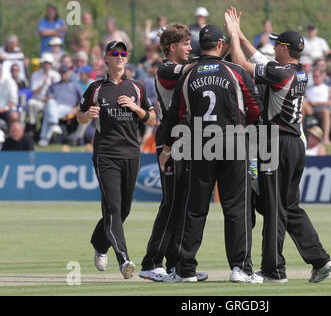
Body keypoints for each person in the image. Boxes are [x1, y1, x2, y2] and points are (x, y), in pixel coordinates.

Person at [225, 7, 331, 283]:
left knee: (273, 207)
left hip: (277, 144)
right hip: (295, 144)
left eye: (277, 44)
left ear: (285, 49)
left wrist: (232, 37)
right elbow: (259, 58)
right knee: (287, 205)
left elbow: (240, 62)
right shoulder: (298, 71)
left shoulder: (280, 73)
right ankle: (320, 260)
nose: (273, 47)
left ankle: (274, 270)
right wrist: (240, 33)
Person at [159, 23, 262, 283]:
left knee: (194, 209)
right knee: (236, 208)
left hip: (199, 144)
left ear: (198, 46)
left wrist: (168, 147)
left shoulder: (188, 75)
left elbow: (176, 114)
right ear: (220, 44)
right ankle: (241, 268)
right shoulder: (235, 71)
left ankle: (185, 270)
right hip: (233, 142)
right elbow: (255, 107)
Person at [77, 41, 156, 279]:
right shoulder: (96, 88)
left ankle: (100, 244)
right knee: (113, 208)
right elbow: (79, 116)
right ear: (106, 58)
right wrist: (86, 115)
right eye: (115, 53)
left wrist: (135, 108)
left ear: (127, 58)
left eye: (123, 53)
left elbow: (151, 119)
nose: (120, 57)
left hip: (132, 153)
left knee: (123, 211)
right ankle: (124, 260)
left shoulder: (137, 87)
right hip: (106, 154)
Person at [139, 23, 208, 282]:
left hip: (187, 138)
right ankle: (151, 262)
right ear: (172, 47)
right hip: (171, 139)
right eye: (186, 44)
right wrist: (211, 59)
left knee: (183, 203)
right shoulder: (166, 68)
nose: (190, 48)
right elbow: (191, 68)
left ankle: (176, 265)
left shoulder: (182, 66)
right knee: (171, 203)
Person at [38, 65, 83, 147]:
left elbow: (84, 99)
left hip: (68, 109)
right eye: (61, 72)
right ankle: (52, 126)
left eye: (65, 72)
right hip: (55, 108)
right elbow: (46, 98)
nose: (63, 74)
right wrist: (47, 99)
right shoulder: (53, 85)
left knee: (49, 113)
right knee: (51, 104)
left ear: (69, 73)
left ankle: (44, 137)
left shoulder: (75, 85)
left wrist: (77, 108)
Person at [27, 53, 61, 137]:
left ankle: (47, 134)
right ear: (42, 64)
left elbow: (58, 92)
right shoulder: (35, 75)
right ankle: (32, 126)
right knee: (31, 103)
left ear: (51, 64)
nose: (46, 65)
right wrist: (43, 84)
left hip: (51, 102)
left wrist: (49, 96)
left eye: (48, 63)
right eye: (45, 63)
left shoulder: (56, 75)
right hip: (39, 100)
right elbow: (34, 92)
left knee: (51, 105)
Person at [305, 67, 331, 144]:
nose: (315, 78)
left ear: (322, 76)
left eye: (317, 76)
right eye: (313, 76)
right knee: (302, 104)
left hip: (322, 108)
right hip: (310, 108)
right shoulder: (309, 87)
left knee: (326, 112)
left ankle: (325, 138)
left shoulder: (328, 87)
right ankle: (300, 134)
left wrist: (317, 103)